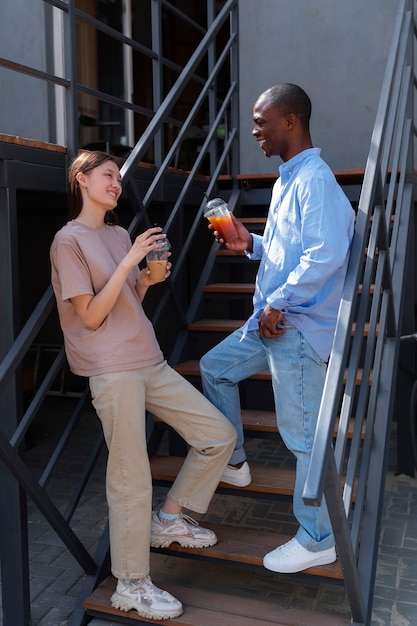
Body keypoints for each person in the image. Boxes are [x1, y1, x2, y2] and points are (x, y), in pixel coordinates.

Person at [50, 150, 237, 620]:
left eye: (119, 177)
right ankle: (131, 583)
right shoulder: (66, 241)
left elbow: (125, 299)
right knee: (131, 476)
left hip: (147, 358)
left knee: (218, 435)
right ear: (82, 180)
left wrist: (147, 279)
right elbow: (91, 315)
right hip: (111, 369)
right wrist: (131, 258)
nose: (116, 183)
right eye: (108, 175)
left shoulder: (116, 233)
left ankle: (170, 517)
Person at [200, 83, 354, 574]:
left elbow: (326, 253)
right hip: (271, 318)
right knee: (215, 368)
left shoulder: (316, 180)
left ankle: (318, 538)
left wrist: (279, 304)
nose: (254, 130)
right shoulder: (290, 178)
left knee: (302, 437)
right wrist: (251, 243)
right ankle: (237, 461)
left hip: (294, 325)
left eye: (262, 120)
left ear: (291, 121)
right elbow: (292, 250)